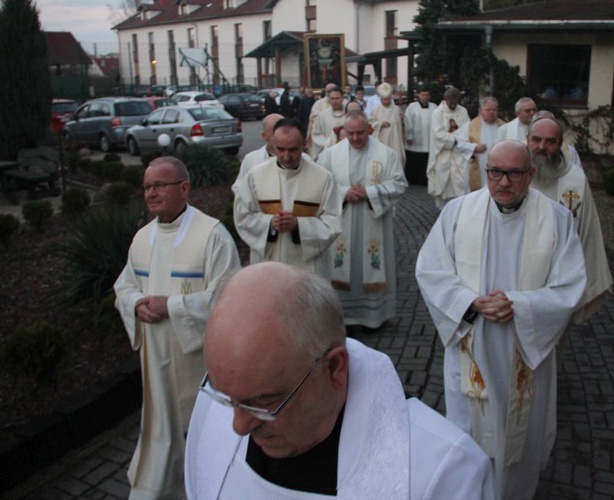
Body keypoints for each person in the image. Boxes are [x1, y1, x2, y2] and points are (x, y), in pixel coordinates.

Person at [184, 262, 497, 499]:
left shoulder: (444, 470)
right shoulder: (213, 408)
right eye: (226, 397)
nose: (237, 426)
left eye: (264, 403)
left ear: (335, 368)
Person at [415, 140, 586, 499]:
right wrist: (470, 301)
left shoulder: (555, 219)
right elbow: (431, 270)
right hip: (472, 340)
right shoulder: (459, 212)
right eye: (495, 172)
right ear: (486, 171)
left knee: (519, 435)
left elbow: (570, 284)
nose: (503, 182)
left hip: (525, 346)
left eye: (514, 173)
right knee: (468, 429)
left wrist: (519, 305)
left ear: (532, 174)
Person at [113, 156, 241, 498]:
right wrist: (136, 303)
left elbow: (228, 296)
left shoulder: (212, 234)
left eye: (159, 186)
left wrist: (170, 306)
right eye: (147, 187)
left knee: (199, 430)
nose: (151, 194)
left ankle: (206, 484)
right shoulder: (142, 237)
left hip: (196, 361)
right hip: (155, 359)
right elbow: (123, 287)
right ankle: (162, 485)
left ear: (183, 188)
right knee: (161, 426)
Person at [317, 110, 407, 329]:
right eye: (351, 133)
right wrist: (344, 193)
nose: (356, 138)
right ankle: (341, 316)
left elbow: (399, 184)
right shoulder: (329, 155)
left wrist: (370, 193)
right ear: (343, 131)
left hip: (372, 219)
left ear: (370, 129)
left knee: (370, 262)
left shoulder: (387, 154)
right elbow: (319, 186)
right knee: (340, 264)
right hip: (342, 221)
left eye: (360, 133)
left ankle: (373, 318)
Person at [528, 116, 612, 323]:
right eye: (536, 139)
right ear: (527, 139)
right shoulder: (512, 174)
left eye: (550, 141)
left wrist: (587, 280)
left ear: (560, 144)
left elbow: (588, 232)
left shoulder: (575, 180)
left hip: (559, 278)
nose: (542, 147)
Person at [233, 118, 342, 278]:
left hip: (307, 269)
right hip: (267, 264)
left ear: (304, 143)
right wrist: (269, 222)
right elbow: (243, 216)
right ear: (272, 143)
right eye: (280, 149)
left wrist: (299, 225)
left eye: (293, 149)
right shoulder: (255, 176)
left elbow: (333, 222)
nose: (286, 156)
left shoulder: (323, 178)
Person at [426, 87, 471, 209]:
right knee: (444, 183)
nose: (453, 105)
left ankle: (460, 208)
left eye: (455, 102)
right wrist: (455, 139)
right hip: (443, 154)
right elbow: (438, 135)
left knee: (460, 184)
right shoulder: (437, 113)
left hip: (458, 153)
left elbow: (467, 130)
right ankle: (443, 209)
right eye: (451, 102)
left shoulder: (463, 111)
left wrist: (456, 138)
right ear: (445, 100)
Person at [456, 96, 505, 191]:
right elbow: (459, 144)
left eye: (494, 110)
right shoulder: (470, 126)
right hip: (479, 168)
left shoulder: (504, 127)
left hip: (499, 167)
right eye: (488, 110)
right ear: (481, 111)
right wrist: (474, 147)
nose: (491, 112)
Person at [232, 113, 284, 193]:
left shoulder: (302, 158)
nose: (280, 136)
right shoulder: (251, 159)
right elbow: (239, 188)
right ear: (264, 136)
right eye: (275, 132)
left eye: (284, 131)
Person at [404, 86, 437, 186]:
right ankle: (413, 180)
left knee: (427, 160)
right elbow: (407, 121)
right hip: (415, 139)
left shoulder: (434, 106)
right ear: (418, 95)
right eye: (423, 95)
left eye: (427, 95)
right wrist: (409, 135)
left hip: (429, 139)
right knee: (415, 160)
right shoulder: (412, 106)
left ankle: (426, 180)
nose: (425, 97)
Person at [369, 82, 406, 166]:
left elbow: (404, 126)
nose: (386, 101)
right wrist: (380, 124)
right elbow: (371, 124)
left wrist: (403, 119)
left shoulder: (397, 109)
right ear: (381, 99)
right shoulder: (375, 111)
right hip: (382, 141)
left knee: (396, 162)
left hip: (396, 141)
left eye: (388, 99)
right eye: (384, 99)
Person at [309, 86, 346, 161]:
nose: (334, 101)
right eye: (332, 99)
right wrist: (329, 143)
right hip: (328, 153)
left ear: (342, 99)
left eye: (337, 98)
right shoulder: (322, 116)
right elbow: (316, 134)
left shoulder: (348, 114)